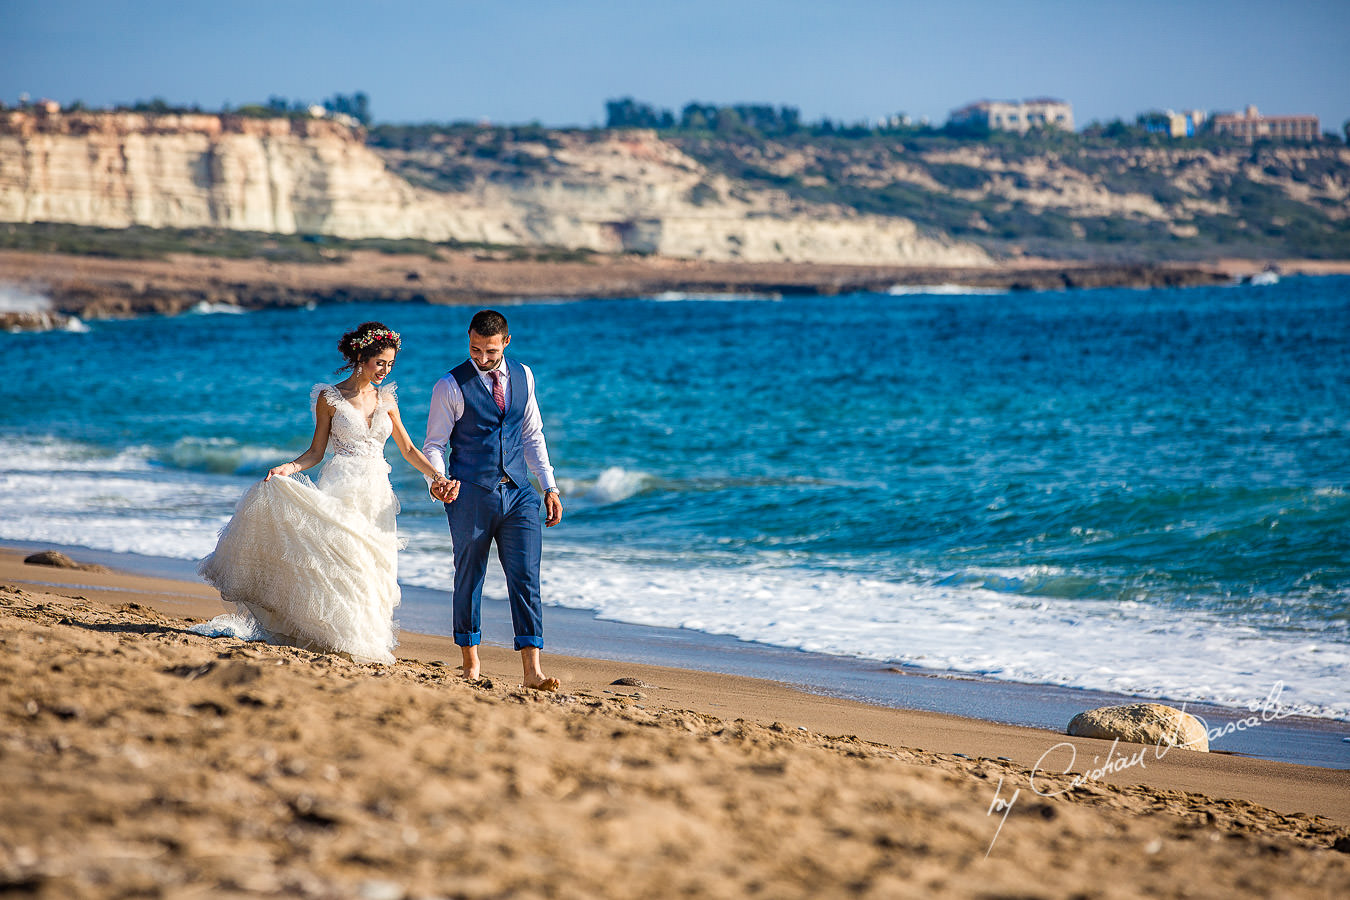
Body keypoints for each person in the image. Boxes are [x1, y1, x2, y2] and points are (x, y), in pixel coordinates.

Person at [192, 321, 456, 663]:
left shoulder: (387, 399)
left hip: (377, 494)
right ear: (361, 357)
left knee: (374, 568)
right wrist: (288, 468)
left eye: (391, 364)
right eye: (381, 363)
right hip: (342, 487)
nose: (386, 370)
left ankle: (364, 639)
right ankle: (338, 635)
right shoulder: (329, 397)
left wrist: (437, 474)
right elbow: (316, 452)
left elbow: (407, 449)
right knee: (346, 563)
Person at [424, 309, 563, 690]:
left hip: (520, 493)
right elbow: (434, 443)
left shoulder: (524, 375)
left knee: (526, 578)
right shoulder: (449, 385)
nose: (481, 358)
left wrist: (548, 486)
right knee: (470, 576)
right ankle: (470, 662)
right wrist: (438, 478)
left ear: (506, 342)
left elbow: (533, 435)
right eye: (475, 349)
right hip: (470, 493)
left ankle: (532, 671)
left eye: (489, 351)